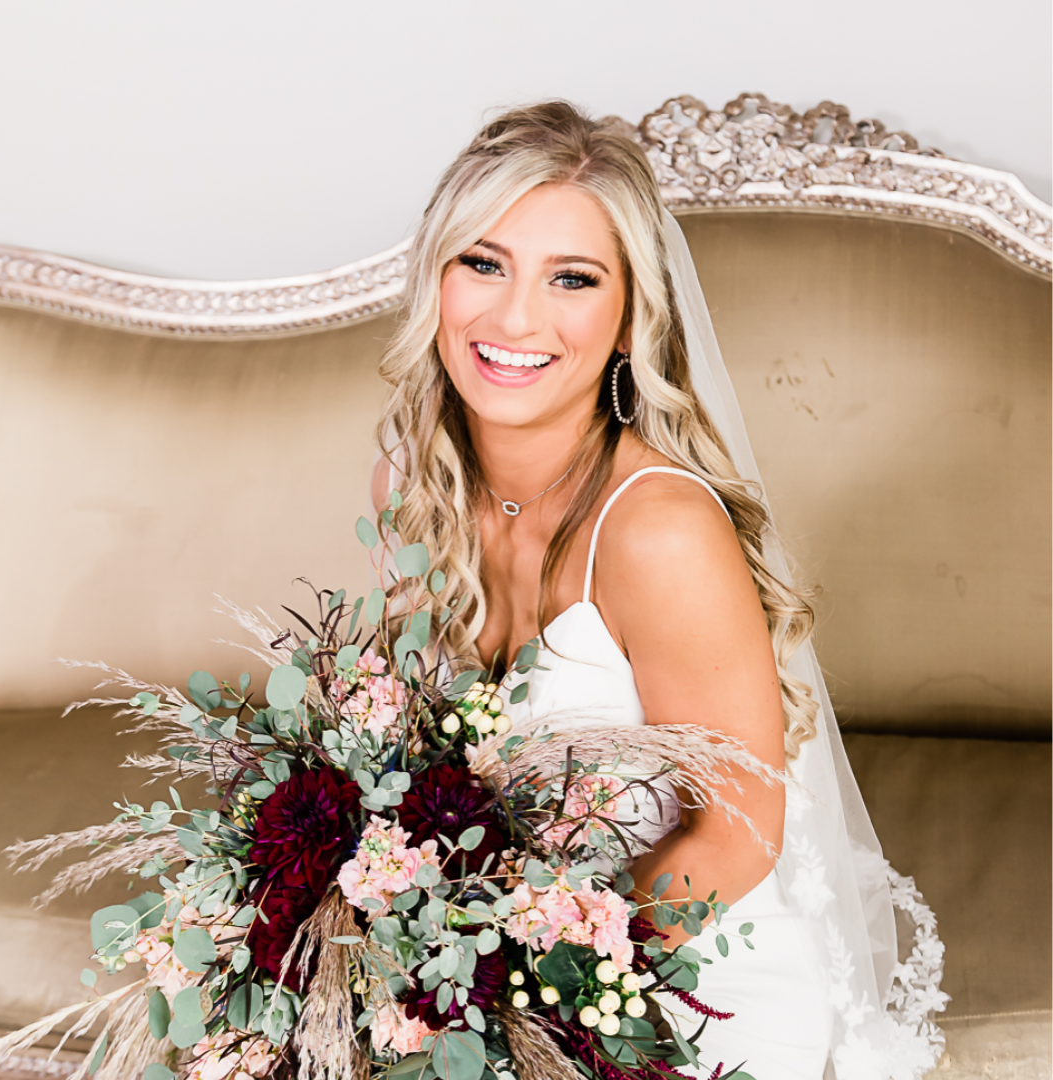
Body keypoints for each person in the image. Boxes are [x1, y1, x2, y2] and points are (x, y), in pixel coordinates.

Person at [370, 101, 945, 1080]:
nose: (515, 317)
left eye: (573, 279)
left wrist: (535, 989)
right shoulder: (414, 480)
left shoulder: (659, 531)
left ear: (630, 316)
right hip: (489, 966)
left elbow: (737, 837)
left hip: (687, 982)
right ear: (435, 274)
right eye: (484, 261)